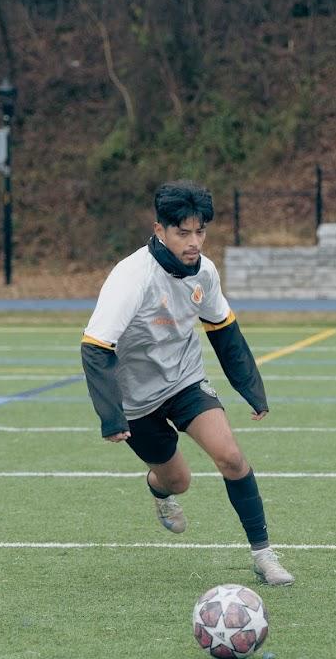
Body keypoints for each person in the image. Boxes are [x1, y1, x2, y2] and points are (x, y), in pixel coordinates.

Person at [81, 180, 294, 586]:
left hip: (185, 382)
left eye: (200, 232)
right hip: (136, 402)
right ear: (159, 230)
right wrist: (111, 416)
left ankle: (264, 556)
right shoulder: (131, 277)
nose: (194, 241)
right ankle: (159, 492)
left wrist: (252, 389)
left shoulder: (205, 272)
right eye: (183, 233)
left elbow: (224, 329)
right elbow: (95, 346)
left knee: (231, 457)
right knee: (178, 480)